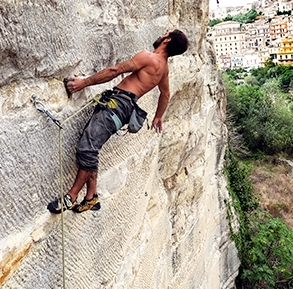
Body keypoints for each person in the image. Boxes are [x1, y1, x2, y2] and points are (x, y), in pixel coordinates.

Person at [48, 30, 189, 214]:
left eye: (165, 33)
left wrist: (84, 83)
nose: (161, 34)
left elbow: (116, 71)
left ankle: (71, 197)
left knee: (87, 147)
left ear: (167, 39)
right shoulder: (163, 69)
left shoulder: (148, 58)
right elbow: (166, 94)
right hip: (124, 109)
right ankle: (91, 197)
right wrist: (158, 116)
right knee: (93, 146)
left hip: (117, 104)